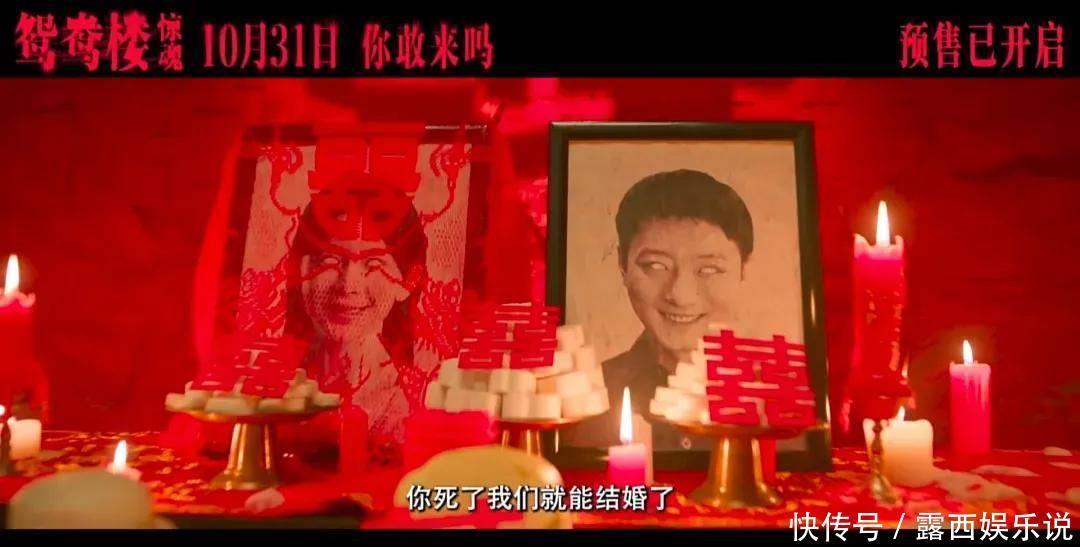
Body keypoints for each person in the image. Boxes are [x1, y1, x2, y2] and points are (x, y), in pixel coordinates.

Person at [569, 169, 755, 450]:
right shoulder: (583, 401)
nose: (680, 296)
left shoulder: (781, 404)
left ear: (743, 269)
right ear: (622, 264)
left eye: (709, 270)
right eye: (656, 266)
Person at [285, 202, 430, 465]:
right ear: (302, 272)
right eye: (330, 261)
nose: (349, 286)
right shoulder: (279, 379)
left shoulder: (413, 394)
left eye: (373, 264)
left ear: (405, 282)